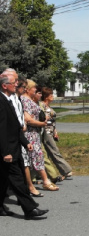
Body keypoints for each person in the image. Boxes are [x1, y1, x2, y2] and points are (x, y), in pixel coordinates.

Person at [0, 74, 49, 219]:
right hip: (7, 150)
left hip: (15, 146)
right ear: (4, 86)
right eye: (14, 83)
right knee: (17, 179)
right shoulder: (1, 102)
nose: (17, 85)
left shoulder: (10, 100)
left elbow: (15, 126)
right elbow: (1, 129)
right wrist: (5, 152)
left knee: (3, 180)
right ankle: (29, 209)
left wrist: (25, 142)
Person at [21, 80, 59, 192]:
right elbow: (27, 119)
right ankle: (45, 181)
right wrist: (42, 123)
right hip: (30, 133)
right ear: (28, 88)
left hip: (35, 133)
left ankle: (28, 183)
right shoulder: (24, 100)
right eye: (34, 88)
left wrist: (42, 120)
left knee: (33, 158)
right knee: (37, 156)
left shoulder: (29, 100)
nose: (36, 90)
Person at [40, 87, 73, 179]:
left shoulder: (49, 106)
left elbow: (53, 121)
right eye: (51, 95)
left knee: (47, 153)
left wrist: (55, 131)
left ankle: (44, 174)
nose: (53, 97)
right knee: (54, 150)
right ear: (46, 97)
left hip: (51, 131)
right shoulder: (42, 105)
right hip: (45, 131)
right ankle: (66, 170)